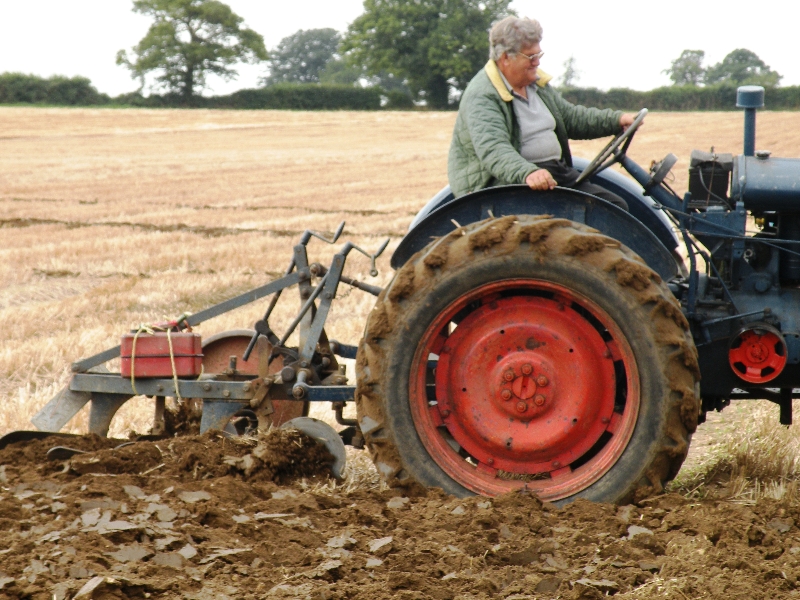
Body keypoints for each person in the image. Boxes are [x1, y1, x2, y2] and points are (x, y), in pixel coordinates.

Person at [448, 16, 639, 209]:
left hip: (553, 173)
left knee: (613, 207)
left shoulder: (536, 84)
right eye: (530, 57)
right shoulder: (482, 95)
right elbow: (494, 149)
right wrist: (527, 173)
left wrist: (616, 120)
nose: (537, 62)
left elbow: (570, 117)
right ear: (505, 57)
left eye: (539, 55)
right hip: (506, 183)